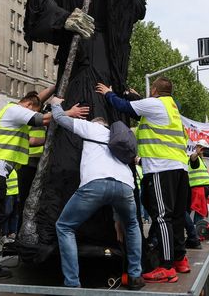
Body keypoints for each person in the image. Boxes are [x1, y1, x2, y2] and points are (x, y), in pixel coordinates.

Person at [23, 0, 151, 257]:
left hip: (105, 55)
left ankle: (113, 231)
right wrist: (62, 17)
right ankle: (50, 224)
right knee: (64, 143)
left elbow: (137, 7)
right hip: (74, 54)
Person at [97, 77, 189, 283]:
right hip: (179, 168)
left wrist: (107, 93)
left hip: (160, 167)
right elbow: (142, 113)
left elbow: (124, 107)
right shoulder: (172, 107)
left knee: (162, 216)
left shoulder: (155, 103)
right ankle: (180, 259)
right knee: (176, 216)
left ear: (154, 90)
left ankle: (166, 267)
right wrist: (135, 96)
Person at [50, 97, 144, 290]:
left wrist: (55, 103)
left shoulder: (90, 127)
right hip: (125, 186)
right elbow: (114, 184)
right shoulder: (116, 137)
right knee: (132, 226)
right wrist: (117, 218)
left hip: (95, 184)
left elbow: (59, 118)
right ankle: (135, 276)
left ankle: (72, 284)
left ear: (95, 123)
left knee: (65, 226)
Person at [0, 93, 65, 277]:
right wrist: (66, 111)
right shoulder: (15, 110)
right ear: (29, 106)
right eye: (34, 109)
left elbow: (36, 100)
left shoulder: (14, 110)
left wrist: (54, 89)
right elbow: (41, 118)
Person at [185, 141, 209, 249]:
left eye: (203, 148)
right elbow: (193, 158)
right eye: (200, 147)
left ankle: (194, 234)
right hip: (197, 189)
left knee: (189, 212)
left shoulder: (201, 160)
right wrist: (196, 152)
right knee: (198, 212)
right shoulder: (194, 158)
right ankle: (195, 235)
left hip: (199, 189)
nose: (202, 150)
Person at [2, 169, 20, 244]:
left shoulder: (13, 168)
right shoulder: (5, 168)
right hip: (8, 194)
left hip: (15, 193)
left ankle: (12, 233)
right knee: (7, 215)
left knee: (14, 214)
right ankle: (4, 235)